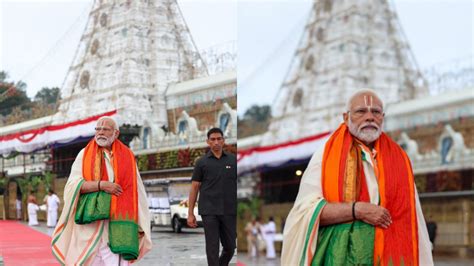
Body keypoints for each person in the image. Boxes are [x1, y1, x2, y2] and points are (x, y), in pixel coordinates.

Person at [281, 89, 433, 265]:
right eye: (361, 111)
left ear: (382, 117)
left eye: (375, 112)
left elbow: (415, 222)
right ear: (346, 118)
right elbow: (305, 213)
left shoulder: (400, 159)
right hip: (341, 258)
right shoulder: (326, 154)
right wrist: (357, 210)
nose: (369, 117)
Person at [51, 116, 152, 265]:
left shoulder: (127, 156)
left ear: (116, 133)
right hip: (89, 226)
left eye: (105, 129)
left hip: (116, 227)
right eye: (97, 129)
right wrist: (101, 185)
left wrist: (141, 221)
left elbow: (137, 191)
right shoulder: (84, 154)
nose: (100, 132)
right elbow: (72, 186)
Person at [187, 127, 237, 266]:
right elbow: (195, 187)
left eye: (219, 139)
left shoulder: (233, 161)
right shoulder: (201, 162)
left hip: (229, 210)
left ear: (223, 141)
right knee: (212, 247)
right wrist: (190, 213)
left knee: (230, 247)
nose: (216, 142)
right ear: (208, 142)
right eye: (213, 139)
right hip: (209, 211)